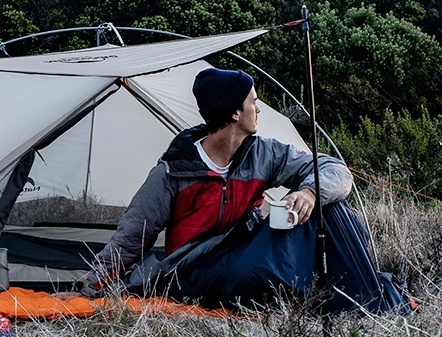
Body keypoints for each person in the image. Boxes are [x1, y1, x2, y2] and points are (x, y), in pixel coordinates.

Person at [58, 67, 355, 307]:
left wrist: (309, 192)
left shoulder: (262, 154)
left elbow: (335, 170)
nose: (259, 109)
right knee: (251, 274)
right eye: (253, 101)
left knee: (334, 210)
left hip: (242, 251)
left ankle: (355, 291)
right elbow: (132, 237)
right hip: (194, 269)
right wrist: (88, 290)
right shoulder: (173, 172)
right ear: (235, 113)